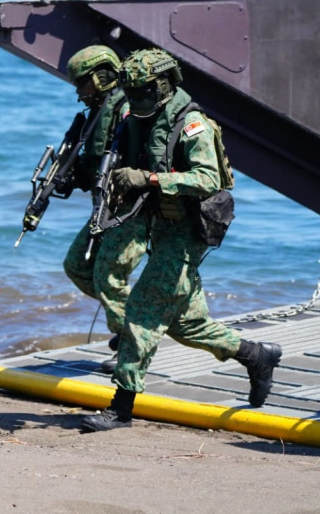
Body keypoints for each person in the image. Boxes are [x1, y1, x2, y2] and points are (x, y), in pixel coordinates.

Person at [81, 49, 281, 432]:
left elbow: (209, 180)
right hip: (159, 225)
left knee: (141, 311)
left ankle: (120, 407)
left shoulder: (192, 125)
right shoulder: (136, 117)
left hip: (187, 233)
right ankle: (256, 355)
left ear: (163, 85)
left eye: (143, 92)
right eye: (131, 92)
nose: (136, 99)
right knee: (187, 324)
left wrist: (152, 180)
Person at [55, 45, 148, 374]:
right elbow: (93, 165)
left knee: (108, 277)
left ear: (102, 76)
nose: (79, 93)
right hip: (107, 208)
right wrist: (69, 177)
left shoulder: (129, 110)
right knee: (77, 266)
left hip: (132, 210)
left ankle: (132, 344)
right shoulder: (97, 113)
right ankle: (131, 323)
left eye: (83, 84)